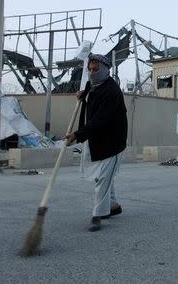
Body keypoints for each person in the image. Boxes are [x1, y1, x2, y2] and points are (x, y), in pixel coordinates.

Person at [65, 54, 128, 231]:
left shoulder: (112, 91)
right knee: (103, 176)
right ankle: (113, 204)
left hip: (112, 141)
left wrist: (77, 134)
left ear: (106, 70)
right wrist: (83, 95)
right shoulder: (91, 85)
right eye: (90, 69)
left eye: (96, 69)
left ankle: (98, 214)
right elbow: (91, 95)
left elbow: (101, 119)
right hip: (96, 138)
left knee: (102, 177)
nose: (92, 73)